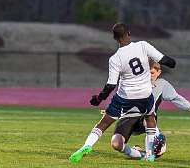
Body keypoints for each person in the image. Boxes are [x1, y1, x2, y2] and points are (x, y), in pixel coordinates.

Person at [69, 23, 176, 163]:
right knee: (150, 119)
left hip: (125, 96)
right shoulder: (143, 45)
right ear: (129, 33)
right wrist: (172, 62)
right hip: (144, 94)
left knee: (104, 123)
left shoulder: (115, 58)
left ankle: (86, 146)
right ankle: (149, 154)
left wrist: (99, 98)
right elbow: (166, 61)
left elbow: (111, 85)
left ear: (115, 38)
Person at [109, 60, 190, 159]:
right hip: (128, 119)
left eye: (152, 73)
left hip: (147, 120)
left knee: (147, 118)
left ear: (158, 73)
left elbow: (176, 98)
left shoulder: (162, 84)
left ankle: (153, 148)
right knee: (116, 144)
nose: (149, 76)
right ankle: (140, 153)